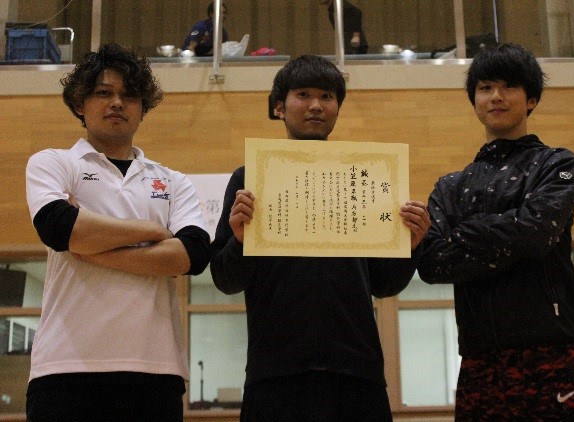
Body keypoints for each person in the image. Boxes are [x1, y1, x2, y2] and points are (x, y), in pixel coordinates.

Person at [210, 55, 430, 421]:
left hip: (356, 370)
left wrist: (410, 247)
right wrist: (239, 241)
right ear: (279, 107)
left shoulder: (367, 175)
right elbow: (224, 278)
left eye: (327, 96)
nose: (316, 105)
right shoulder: (249, 178)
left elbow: (384, 284)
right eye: (303, 94)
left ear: (338, 108)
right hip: (275, 371)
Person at [417, 43, 574, 420]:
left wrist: (463, 232)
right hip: (479, 360)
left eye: (509, 87)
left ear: (531, 99)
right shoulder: (450, 186)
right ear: (474, 100)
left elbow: (536, 232)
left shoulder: (557, 164)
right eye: (485, 87)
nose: (496, 97)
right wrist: (511, 233)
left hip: (553, 354)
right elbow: (433, 264)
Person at [25, 43, 210, 420]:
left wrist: (89, 246)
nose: (116, 103)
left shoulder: (173, 181)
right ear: (80, 103)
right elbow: (58, 228)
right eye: (103, 92)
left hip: (155, 371)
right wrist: (152, 230)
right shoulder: (53, 163)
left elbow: (192, 255)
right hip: (63, 369)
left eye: (129, 95)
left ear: (142, 108)